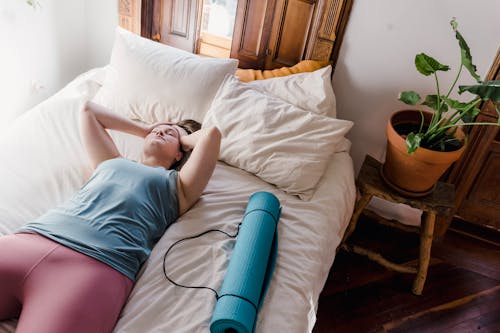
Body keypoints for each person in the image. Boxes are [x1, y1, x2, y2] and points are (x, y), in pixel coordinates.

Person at [0, 101, 221, 333]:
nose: (162, 131)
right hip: (30, 241)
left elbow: (211, 136)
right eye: (160, 128)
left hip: (93, 270)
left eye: (171, 134)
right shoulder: (110, 161)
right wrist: (147, 130)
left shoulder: (179, 187)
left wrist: (182, 135)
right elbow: (88, 110)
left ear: (180, 154)